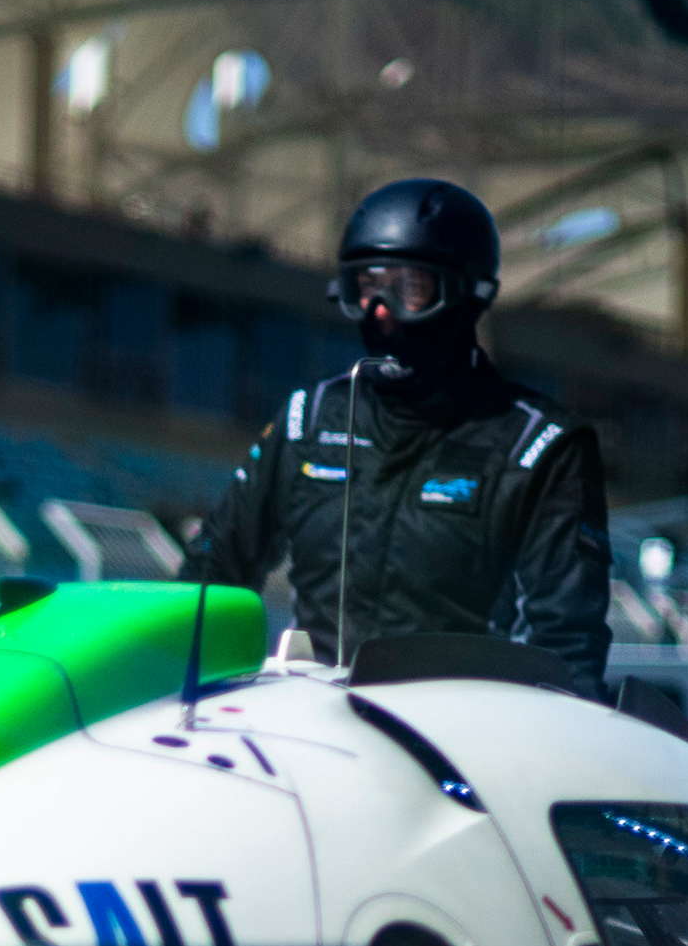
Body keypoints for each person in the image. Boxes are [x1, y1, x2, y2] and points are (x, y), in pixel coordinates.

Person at [190, 178, 612, 698]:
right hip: (317, 719)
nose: (382, 310)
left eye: (410, 288)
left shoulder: (538, 446)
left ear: (467, 295)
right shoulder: (311, 420)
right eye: (367, 287)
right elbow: (208, 575)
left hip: (461, 733)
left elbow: (565, 649)